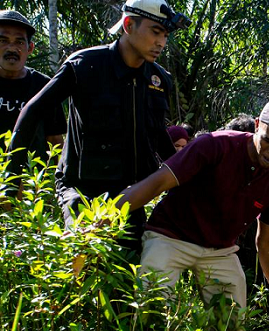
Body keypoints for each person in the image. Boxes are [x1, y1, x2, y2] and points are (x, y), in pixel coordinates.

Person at [8, 0, 190, 253]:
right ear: (128, 24)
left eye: (165, 35)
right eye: (155, 32)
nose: (161, 42)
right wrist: (9, 179)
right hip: (82, 191)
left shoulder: (158, 79)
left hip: (131, 195)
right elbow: (32, 111)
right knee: (83, 261)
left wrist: (187, 177)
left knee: (125, 277)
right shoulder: (85, 65)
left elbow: (158, 136)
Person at [114, 97, 269, 311]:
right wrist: (104, 216)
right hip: (169, 237)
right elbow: (157, 182)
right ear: (257, 124)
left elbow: (266, 241)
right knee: (151, 309)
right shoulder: (215, 145)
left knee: (232, 324)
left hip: (219, 250)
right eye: (267, 140)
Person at [0, 10, 66, 158]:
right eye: (3, 41)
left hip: (32, 177)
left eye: (19, 42)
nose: (11, 48)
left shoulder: (44, 87)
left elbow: (55, 143)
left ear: (30, 48)